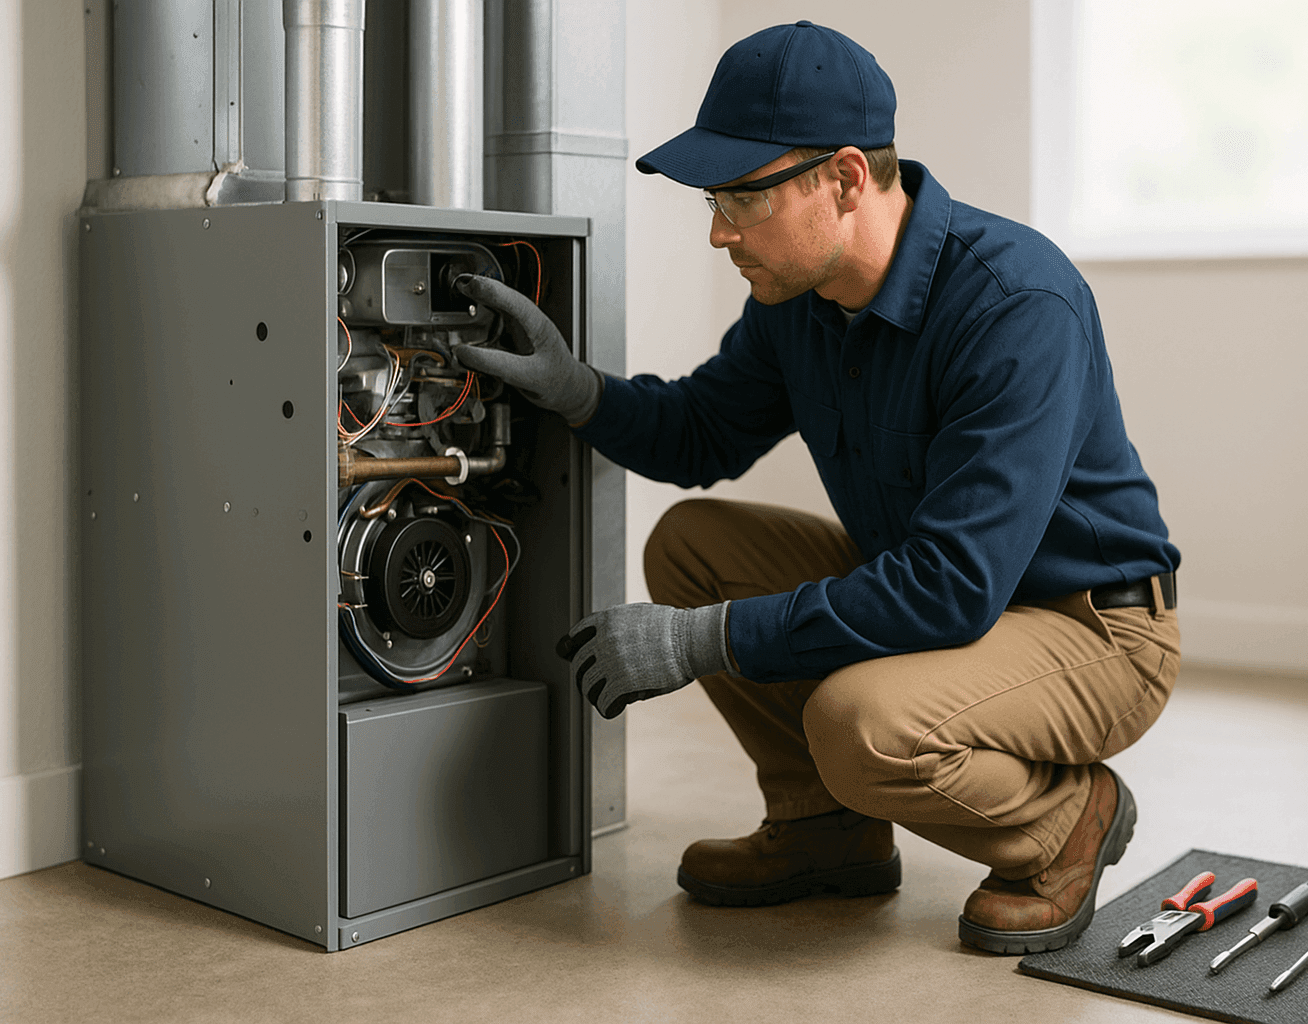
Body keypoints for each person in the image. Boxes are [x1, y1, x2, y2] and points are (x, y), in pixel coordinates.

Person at [456, 20, 1181, 954]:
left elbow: (953, 589)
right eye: (714, 199)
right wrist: (576, 389)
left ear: (843, 179)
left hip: (1092, 627)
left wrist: (702, 640)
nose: (720, 231)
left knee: (861, 726)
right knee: (696, 543)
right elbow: (700, 432)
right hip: (951, 598)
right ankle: (823, 827)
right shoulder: (803, 301)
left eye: (742, 199)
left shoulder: (1014, 304)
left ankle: (1064, 823)